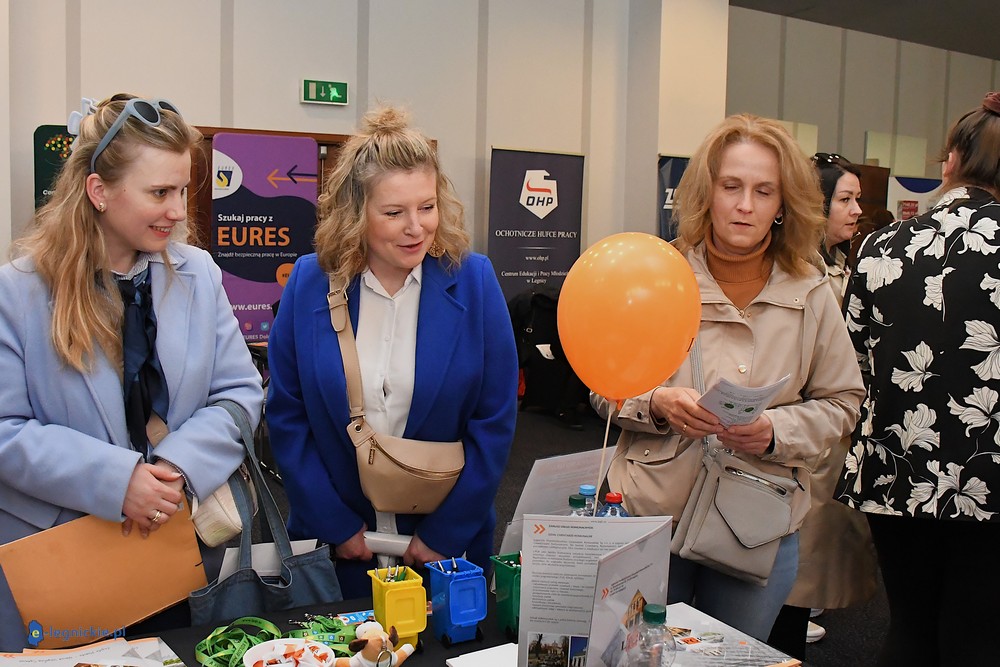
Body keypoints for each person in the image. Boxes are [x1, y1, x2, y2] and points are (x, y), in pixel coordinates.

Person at [0, 94, 264, 650]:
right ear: (99, 191)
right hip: (64, 563)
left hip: (179, 553)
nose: (178, 211)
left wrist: (174, 468)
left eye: (182, 190)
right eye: (159, 193)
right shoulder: (19, 292)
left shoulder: (199, 273)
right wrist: (117, 481)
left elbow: (239, 394)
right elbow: (6, 430)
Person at [592, 113, 864, 641]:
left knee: (730, 655)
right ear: (706, 193)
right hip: (649, 513)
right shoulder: (655, 276)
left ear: (783, 204)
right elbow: (603, 388)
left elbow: (842, 402)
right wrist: (657, 403)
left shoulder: (812, 292)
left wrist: (775, 431)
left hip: (755, 521)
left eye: (764, 191)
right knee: (634, 651)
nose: (745, 205)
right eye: (731, 186)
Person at [266, 105, 518, 599]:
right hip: (335, 548)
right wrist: (335, 525)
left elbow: (495, 422)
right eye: (394, 212)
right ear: (355, 212)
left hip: (445, 549)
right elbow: (288, 417)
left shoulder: (474, 281)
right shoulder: (310, 282)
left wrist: (446, 533)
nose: (416, 227)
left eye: (427, 207)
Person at [836, 93, 1000, 667]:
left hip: (897, 466)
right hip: (991, 474)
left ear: (951, 160)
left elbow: (851, 363)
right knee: (980, 637)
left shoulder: (881, 245)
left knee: (909, 627)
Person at [767, 153, 878, 658]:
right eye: (845, 200)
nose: (856, 210)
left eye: (858, 200)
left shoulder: (843, 265)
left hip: (830, 432)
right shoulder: (802, 275)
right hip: (794, 439)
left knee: (809, 562)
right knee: (791, 563)